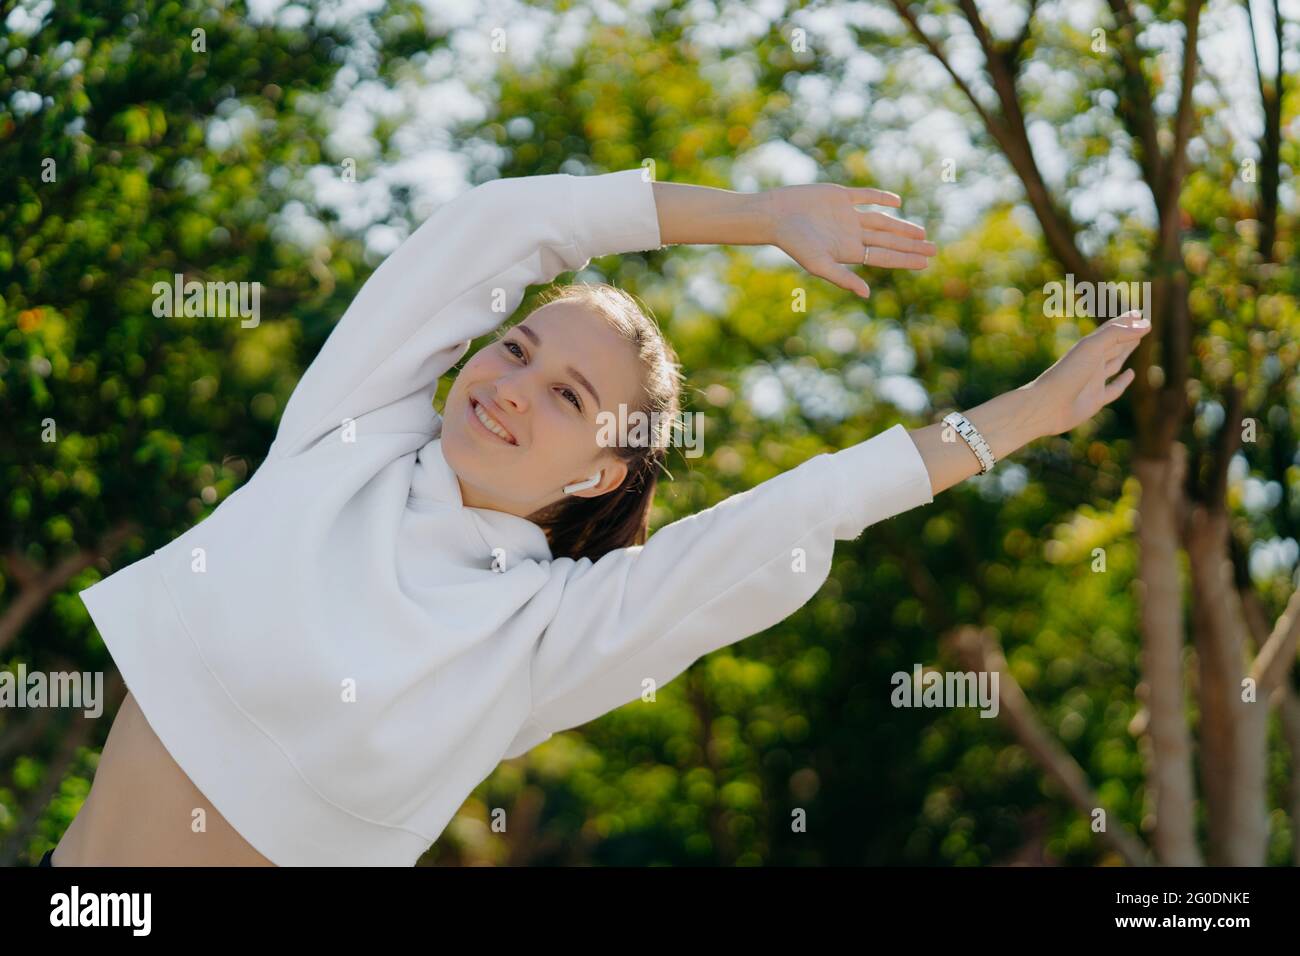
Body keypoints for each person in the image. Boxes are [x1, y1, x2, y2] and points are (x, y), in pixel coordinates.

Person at [46, 167, 1149, 866]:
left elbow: (796, 513)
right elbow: (505, 225)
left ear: (598, 475)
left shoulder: (548, 630)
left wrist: (1024, 415)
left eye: (569, 394)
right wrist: (760, 217)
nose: (514, 383)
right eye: (517, 345)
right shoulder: (347, 441)